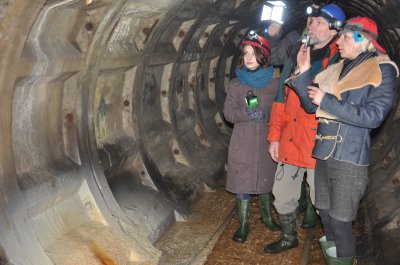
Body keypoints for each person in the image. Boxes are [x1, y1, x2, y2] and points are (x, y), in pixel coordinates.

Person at [290, 16, 398, 265]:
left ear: (362, 40)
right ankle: (335, 259)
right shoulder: (336, 68)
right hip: (325, 153)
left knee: (340, 221)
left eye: (345, 37)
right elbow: (310, 104)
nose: (338, 41)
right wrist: (305, 71)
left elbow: (373, 116)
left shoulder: (382, 69)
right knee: (325, 215)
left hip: (350, 156)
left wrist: (327, 100)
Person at [265, 4, 346, 253]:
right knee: (282, 193)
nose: (312, 26)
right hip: (290, 138)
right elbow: (280, 100)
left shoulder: (339, 61)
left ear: (334, 30)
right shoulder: (296, 53)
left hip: (318, 141)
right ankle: (290, 237)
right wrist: (274, 137)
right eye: (311, 22)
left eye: (320, 23)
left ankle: (335, 246)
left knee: (322, 200)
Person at [223, 30, 280, 243]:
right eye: (245, 53)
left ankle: (267, 216)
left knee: (265, 178)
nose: (248, 58)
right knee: (242, 181)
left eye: (253, 53)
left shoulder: (274, 85)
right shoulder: (236, 85)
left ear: (263, 56)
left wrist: (267, 116)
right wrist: (246, 113)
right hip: (242, 143)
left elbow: (281, 112)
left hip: (265, 141)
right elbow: (228, 113)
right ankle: (244, 224)